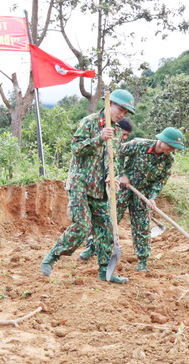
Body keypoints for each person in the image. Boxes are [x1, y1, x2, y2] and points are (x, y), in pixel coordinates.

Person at [40, 89, 136, 284]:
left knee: (107, 229)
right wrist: (99, 138)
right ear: (110, 104)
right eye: (121, 109)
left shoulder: (117, 132)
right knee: (83, 226)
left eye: (126, 112)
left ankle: (104, 271)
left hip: (100, 189)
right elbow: (76, 149)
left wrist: (112, 176)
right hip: (80, 185)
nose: (122, 114)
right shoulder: (89, 122)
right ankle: (52, 257)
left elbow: (113, 159)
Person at [115, 127, 184, 273]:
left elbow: (161, 180)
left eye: (174, 148)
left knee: (142, 226)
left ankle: (142, 261)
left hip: (143, 194)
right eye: (170, 145)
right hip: (124, 187)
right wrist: (122, 174)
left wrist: (152, 197)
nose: (172, 149)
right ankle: (93, 247)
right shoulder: (139, 144)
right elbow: (117, 153)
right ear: (161, 140)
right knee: (111, 218)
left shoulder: (168, 159)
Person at [77, 118, 133, 260]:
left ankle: (103, 251)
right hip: (97, 185)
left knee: (107, 221)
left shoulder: (119, 146)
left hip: (113, 184)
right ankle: (91, 247)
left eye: (126, 136)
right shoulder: (105, 143)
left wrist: (118, 176)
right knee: (97, 220)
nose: (124, 138)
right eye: (123, 134)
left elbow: (119, 163)